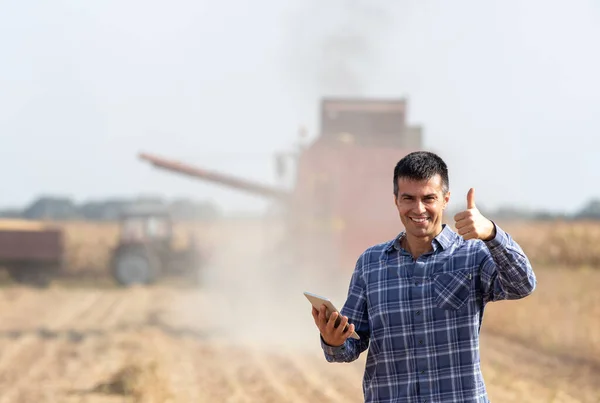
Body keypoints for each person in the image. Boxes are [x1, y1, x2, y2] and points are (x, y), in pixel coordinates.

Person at [311, 151, 536, 403]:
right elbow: (350, 346)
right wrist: (333, 341)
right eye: (409, 198)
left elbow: (523, 284)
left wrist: (492, 234)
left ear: (445, 200)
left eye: (429, 198)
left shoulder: (472, 255)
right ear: (396, 200)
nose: (419, 209)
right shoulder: (370, 263)